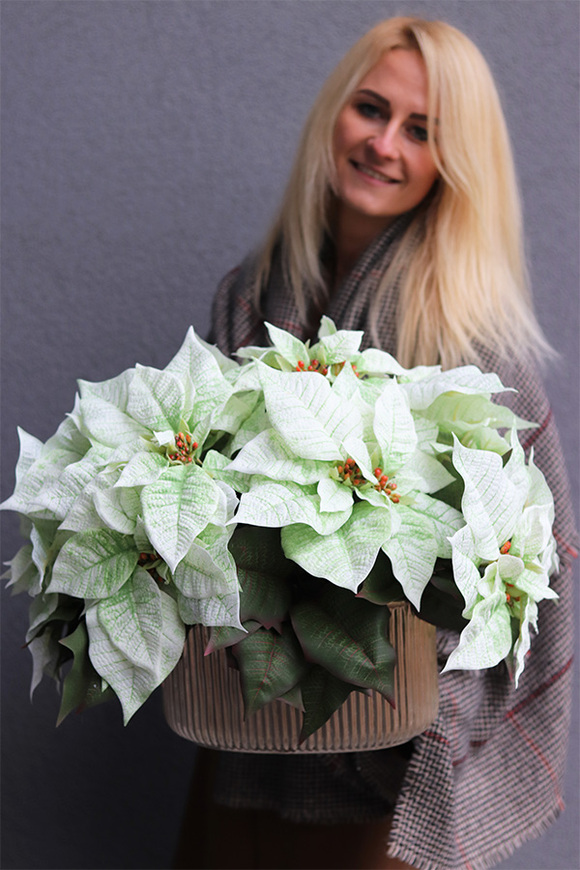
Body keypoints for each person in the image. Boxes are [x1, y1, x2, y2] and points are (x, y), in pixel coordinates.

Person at [173, 16, 578, 870]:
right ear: (335, 116)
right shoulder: (248, 294)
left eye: (422, 130)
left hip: (387, 761)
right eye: (370, 110)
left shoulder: (468, 341)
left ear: (450, 163)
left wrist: (449, 705)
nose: (385, 144)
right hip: (249, 728)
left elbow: (538, 562)